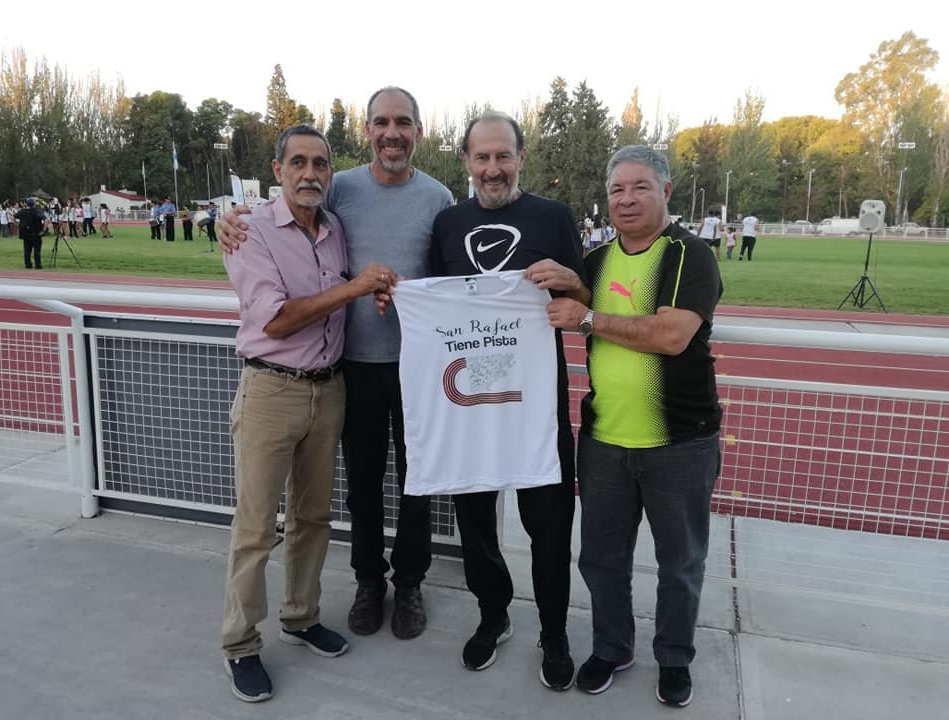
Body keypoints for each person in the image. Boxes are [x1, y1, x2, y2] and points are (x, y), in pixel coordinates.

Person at [218, 86, 453, 641]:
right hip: (351, 365)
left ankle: (410, 583)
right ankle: (370, 581)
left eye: (403, 122)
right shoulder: (339, 187)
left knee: (419, 481)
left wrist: (409, 293)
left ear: (418, 131)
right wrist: (227, 220)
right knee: (363, 484)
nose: (391, 132)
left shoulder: (438, 197)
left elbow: (446, 282)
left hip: (416, 366)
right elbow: (277, 226)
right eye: (380, 122)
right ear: (368, 131)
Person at [393, 111, 588, 690]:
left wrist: (571, 283)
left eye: (503, 156)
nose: (493, 168)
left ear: (521, 157)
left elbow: (585, 294)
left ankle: (553, 631)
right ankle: (493, 614)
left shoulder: (553, 217)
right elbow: (434, 303)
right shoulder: (449, 223)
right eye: (482, 158)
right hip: (469, 405)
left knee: (549, 525)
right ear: (467, 163)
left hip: (535, 402)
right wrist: (396, 300)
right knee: (475, 521)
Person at [220, 124, 396, 703]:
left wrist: (371, 291)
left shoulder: (334, 228)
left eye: (320, 163)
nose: (310, 173)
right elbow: (275, 319)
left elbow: (340, 294)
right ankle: (241, 643)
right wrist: (353, 290)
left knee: (313, 518)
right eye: (298, 162)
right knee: (255, 529)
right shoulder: (250, 229)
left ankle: (300, 616)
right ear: (277, 170)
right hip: (272, 391)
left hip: (329, 389)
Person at [543, 145, 722, 708]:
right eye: (617, 189)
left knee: (680, 562)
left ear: (666, 192)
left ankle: (674, 657)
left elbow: (671, 336)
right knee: (600, 558)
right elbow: (559, 308)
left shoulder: (690, 256)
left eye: (639, 187)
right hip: (603, 442)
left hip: (680, 442)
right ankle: (613, 646)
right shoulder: (594, 265)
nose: (626, 199)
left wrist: (590, 317)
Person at [15, 198, 45, 269]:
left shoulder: (22, 211)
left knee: (27, 251)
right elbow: (46, 219)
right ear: (34, 204)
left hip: (26, 234)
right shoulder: (37, 211)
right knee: (37, 251)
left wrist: (18, 225)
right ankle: (37, 265)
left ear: (27, 204)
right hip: (36, 234)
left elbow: (14, 216)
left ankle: (28, 265)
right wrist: (43, 230)